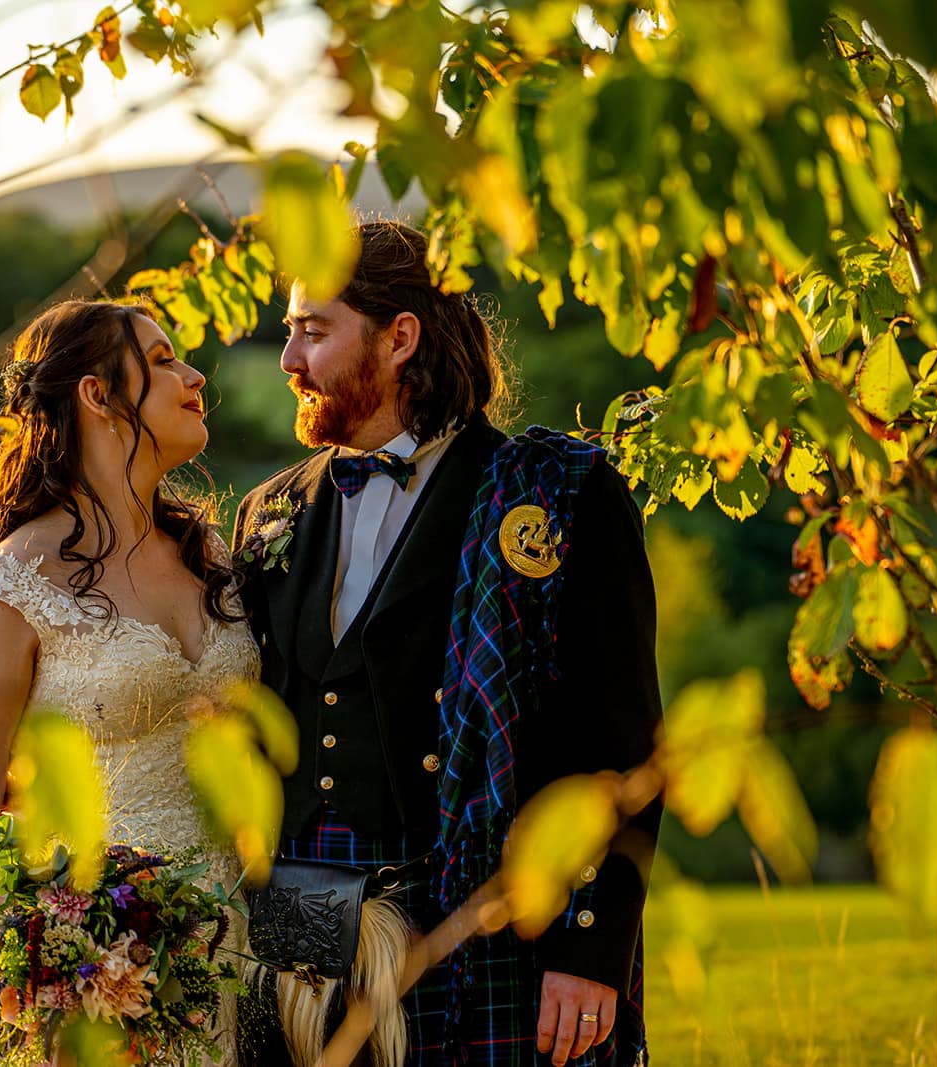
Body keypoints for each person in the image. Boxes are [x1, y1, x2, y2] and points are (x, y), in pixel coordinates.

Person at [234, 220, 662, 1067]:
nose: (288, 360)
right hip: (303, 933)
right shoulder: (270, 511)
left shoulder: (559, 496)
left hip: (492, 924)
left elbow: (625, 742)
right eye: (288, 331)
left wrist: (591, 948)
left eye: (314, 331)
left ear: (400, 338)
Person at [0, 299, 260, 1065]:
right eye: (161, 359)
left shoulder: (212, 554)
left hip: (231, 956)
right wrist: (16, 964)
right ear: (96, 394)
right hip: (90, 980)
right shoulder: (10, 588)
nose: (193, 373)